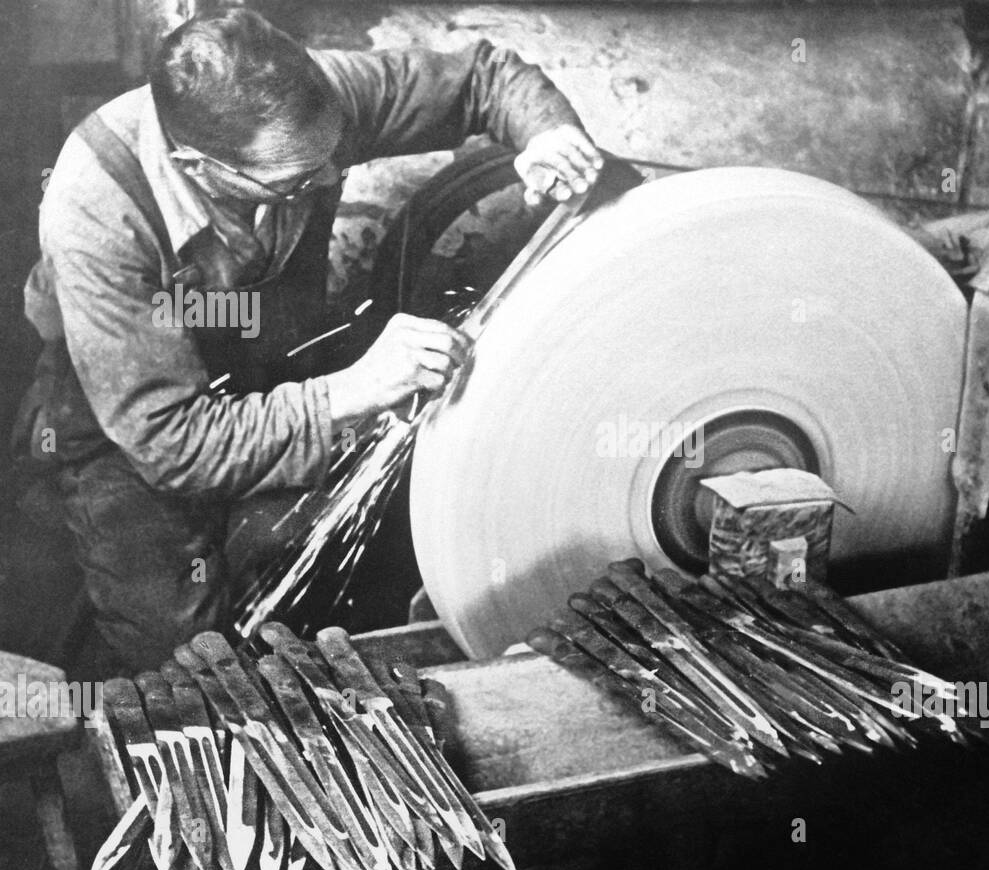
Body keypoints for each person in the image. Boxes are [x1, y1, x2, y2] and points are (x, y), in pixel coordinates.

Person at [17, 7, 603, 675]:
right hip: (129, 404)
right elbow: (171, 445)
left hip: (263, 351)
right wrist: (349, 390)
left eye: (330, 161)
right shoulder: (96, 210)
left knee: (385, 520)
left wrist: (548, 133)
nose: (325, 183)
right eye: (297, 181)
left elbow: (482, 77)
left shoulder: (311, 100)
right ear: (198, 166)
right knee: (185, 657)